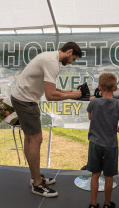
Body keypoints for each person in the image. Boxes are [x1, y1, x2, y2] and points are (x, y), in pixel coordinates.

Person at [10, 42, 83, 197]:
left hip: (22, 98)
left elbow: (50, 88)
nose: (71, 62)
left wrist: (68, 91)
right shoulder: (52, 63)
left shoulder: (50, 58)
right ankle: (37, 184)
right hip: (26, 101)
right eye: (73, 59)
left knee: (30, 139)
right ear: (69, 51)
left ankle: (34, 177)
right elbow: (50, 96)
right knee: (36, 139)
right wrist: (73, 95)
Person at [86, 72, 119, 208]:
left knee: (95, 175)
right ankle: (107, 203)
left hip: (95, 144)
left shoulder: (94, 102)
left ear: (99, 87)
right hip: (111, 145)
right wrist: (117, 130)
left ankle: (93, 203)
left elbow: (90, 117)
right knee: (109, 176)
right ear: (115, 88)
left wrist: (93, 102)